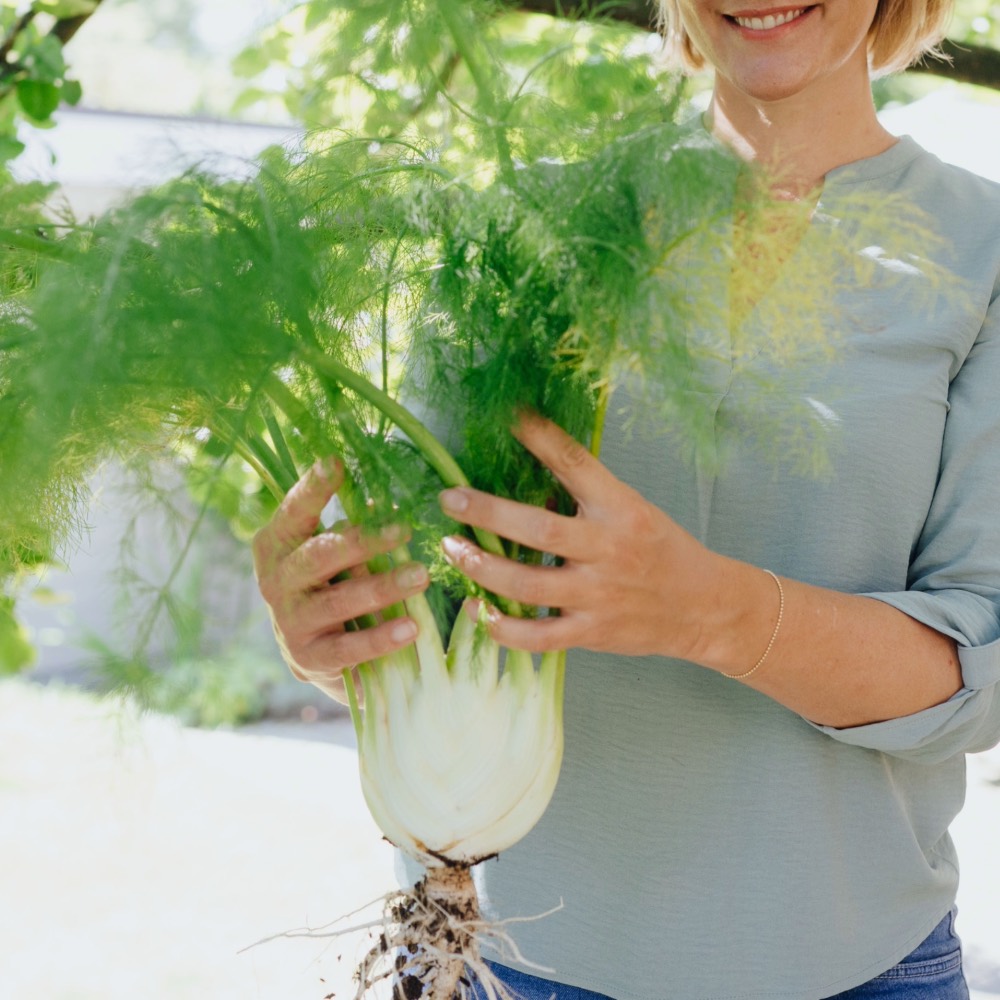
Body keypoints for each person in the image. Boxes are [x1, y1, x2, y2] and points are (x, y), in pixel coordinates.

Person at [251, 1, 1000, 996]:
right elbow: (427, 572)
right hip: (502, 960)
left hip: (856, 965)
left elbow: (981, 669)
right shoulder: (531, 222)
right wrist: (325, 632)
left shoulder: (983, 249)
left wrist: (712, 613)